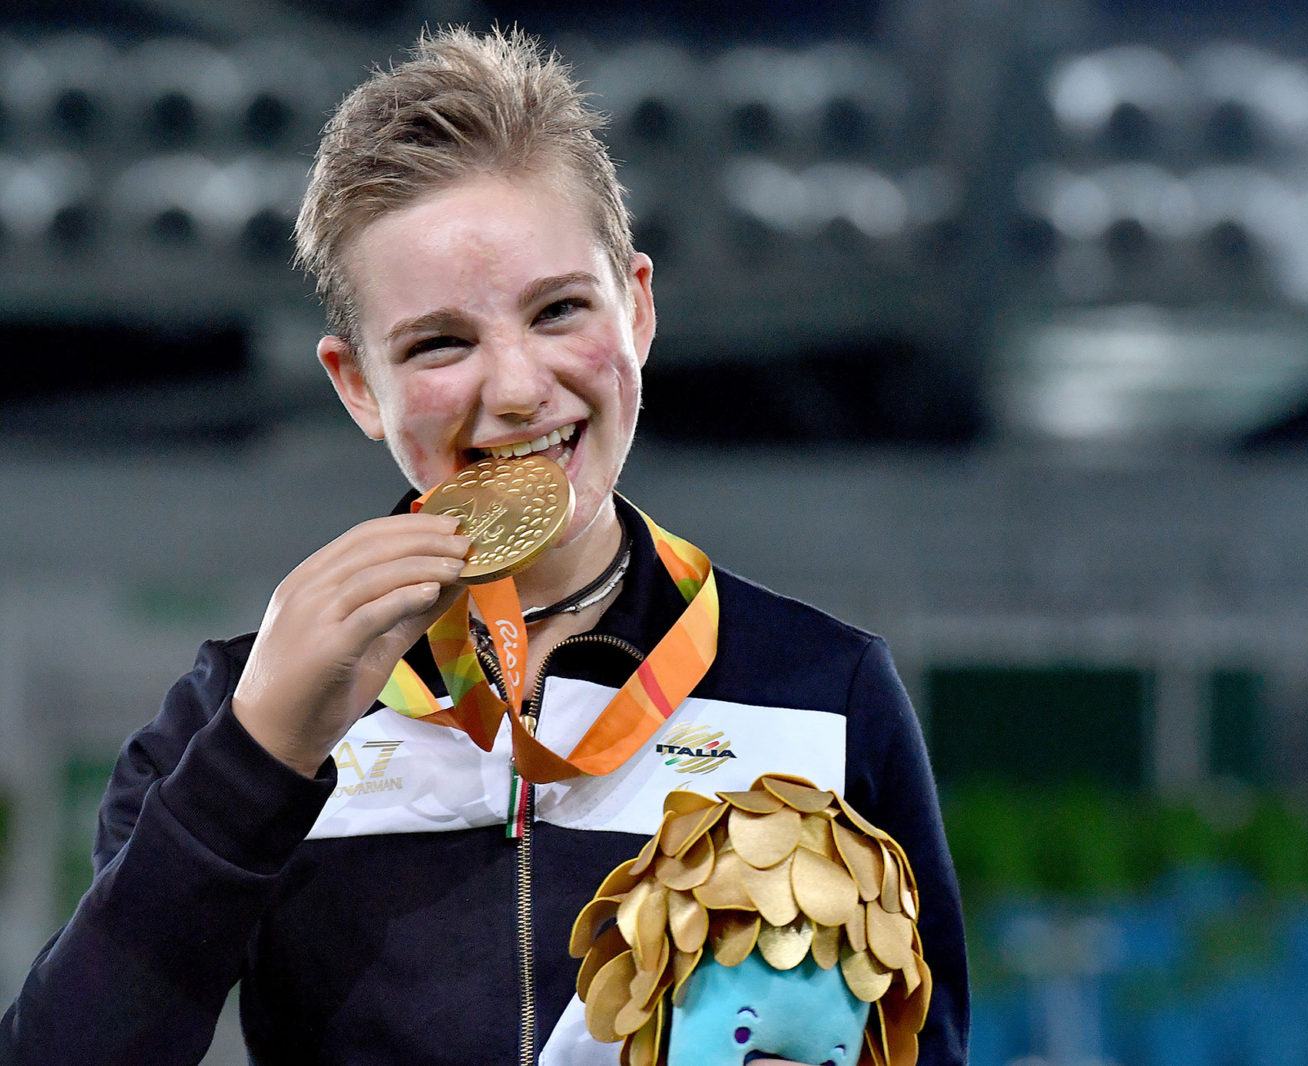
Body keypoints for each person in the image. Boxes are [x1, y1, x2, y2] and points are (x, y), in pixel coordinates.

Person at [0, 25, 968, 1066]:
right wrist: (258, 759)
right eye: (440, 342)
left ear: (638, 308)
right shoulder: (238, 714)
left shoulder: (824, 692)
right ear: (357, 385)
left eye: (560, 310)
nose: (514, 388)